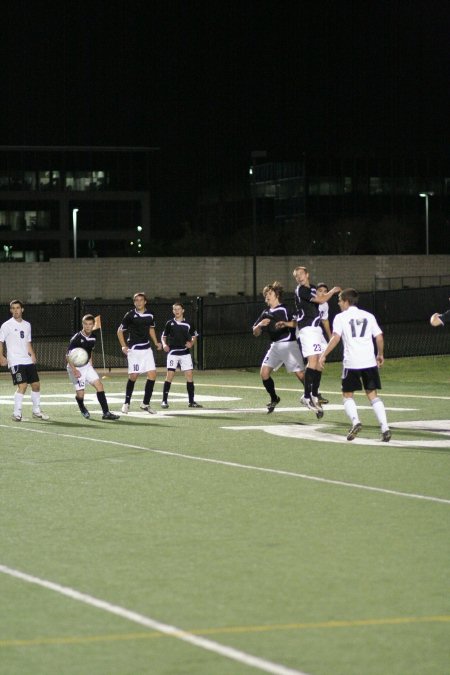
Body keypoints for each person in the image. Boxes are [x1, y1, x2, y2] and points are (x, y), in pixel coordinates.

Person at [318, 288, 391, 442]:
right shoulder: (368, 316)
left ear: (346, 301)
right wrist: (380, 354)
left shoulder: (340, 317)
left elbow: (335, 338)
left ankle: (356, 422)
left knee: (347, 395)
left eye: (339, 300)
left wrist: (324, 355)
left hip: (352, 362)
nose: (338, 303)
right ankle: (385, 427)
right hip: (369, 362)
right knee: (373, 395)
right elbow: (379, 337)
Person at [277, 266, 340, 417]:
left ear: (307, 274)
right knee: (312, 362)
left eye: (301, 274)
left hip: (315, 329)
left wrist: (324, 292)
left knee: (319, 363)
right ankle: (306, 397)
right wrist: (332, 291)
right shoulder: (301, 290)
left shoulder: (311, 288)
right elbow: (322, 298)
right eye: (296, 275)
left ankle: (315, 394)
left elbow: (320, 298)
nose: (298, 277)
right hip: (307, 329)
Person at [253, 281, 305, 413]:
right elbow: (255, 332)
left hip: (289, 345)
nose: (267, 297)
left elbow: (296, 324)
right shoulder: (265, 312)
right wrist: (259, 326)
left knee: (300, 374)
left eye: (269, 294)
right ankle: (274, 398)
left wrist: (285, 324)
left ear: (276, 295)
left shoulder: (285, 309)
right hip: (275, 346)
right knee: (264, 374)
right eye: (265, 295)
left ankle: (313, 393)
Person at [0, 299, 49, 421]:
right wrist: (1, 356)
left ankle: (36, 411)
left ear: (22, 309)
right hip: (15, 360)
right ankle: (17, 414)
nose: (15, 310)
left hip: (27, 360)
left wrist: (32, 354)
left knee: (36, 385)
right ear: (11, 310)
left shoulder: (27, 325)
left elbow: (28, 341)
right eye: (13, 308)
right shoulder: (6, 325)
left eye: (18, 308)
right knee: (22, 386)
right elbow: (0, 342)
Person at [67, 314, 119, 420]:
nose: (87, 326)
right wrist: (74, 370)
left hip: (86, 366)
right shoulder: (76, 338)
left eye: (90, 324)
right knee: (81, 394)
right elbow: (67, 355)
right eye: (85, 324)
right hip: (75, 367)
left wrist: (91, 364)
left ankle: (106, 413)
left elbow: (89, 352)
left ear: (93, 325)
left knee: (99, 385)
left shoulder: (93, 337)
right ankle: (82, 406)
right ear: (82, 324)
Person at [117, 292, 162, 414]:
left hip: (147, 349)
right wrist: (123, 346)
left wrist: (157, 342)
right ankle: (126, 403)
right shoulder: (130, 315)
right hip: (134, 350)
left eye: (141, 300)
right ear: (134, 302)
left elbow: (151, 328)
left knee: (152, 375)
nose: (138, 302)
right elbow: (119, 331)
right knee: (133, 376)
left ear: (145, 301)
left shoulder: (150, 314)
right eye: (136, 300)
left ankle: (145, 404)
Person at [160, 302, 203, 408]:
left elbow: (194, 336)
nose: (177, 311)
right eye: (174, 309)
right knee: (169, 375)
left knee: (189, 376)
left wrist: (191, 343)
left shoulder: (188, 323)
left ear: (183, 310)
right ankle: (164, 401)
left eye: (178, 309)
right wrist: (164, 344)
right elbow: (163, 336)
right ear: (173, 311)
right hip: (173, 353)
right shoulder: (169, 323)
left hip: (185, 353)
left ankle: (191, 401)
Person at [315, 282, 332, 405]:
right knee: (314, 361)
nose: (322, 293)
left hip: (317, 333)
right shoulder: (311, 302)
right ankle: (312, 392)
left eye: (325, 291)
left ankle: (314, 391)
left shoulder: (325, 305)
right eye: (320, 290)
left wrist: (331, 337)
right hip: (306, 333)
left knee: (321, 360)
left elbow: (325, 320)